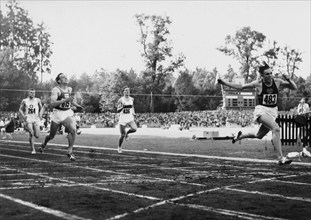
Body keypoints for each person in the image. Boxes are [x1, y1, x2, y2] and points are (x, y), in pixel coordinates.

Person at [217, 62, 298, 165]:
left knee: (259, 135)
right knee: (276, 129)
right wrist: (224, 83)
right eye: (267, 74)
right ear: (262, 75)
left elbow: (294, 87)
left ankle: (241, 135)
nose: (270, 75)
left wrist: (288, 79)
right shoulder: (258, 83)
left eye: (271, 73)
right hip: (262, 110)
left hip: (273, 111)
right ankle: (281, 158)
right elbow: (241, 87)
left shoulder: (277, 82)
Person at [38, 73, 83, 161]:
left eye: (66, 76)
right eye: (63, 77)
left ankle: (70, 151)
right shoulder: (56, 90)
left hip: (67, 112)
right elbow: (53, 104)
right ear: (59, 80)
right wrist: (65, 100)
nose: (66, 78)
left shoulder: (69, 89)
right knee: (51, 135)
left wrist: (77, 106)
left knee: (73, 130)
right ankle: (43, 144)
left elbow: (71, 100)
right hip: (57, 114)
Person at [19, 88, 43, 154]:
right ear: (28, 93)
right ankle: (33, 149)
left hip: (36, 118)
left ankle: (32, 141)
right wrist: (24, 116)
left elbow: (42, 108)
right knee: (31, 134)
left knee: (37, 135)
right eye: (31, 92)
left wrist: (40, 115)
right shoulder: (24, 101)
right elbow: (20, 109)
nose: (32, 94)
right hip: (28, 118)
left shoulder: (38, 100)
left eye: (34, 92)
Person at [116, 86, 137, 153]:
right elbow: (118, 110)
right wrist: (122, 107)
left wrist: (133, 112)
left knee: (134, 129)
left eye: (128, 90)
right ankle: (119, 147)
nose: (127, 91)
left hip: (130, 117)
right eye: (126, 90)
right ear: (123, 92)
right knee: (122, 135)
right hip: (122, 118)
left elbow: (132, 106)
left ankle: (127, 133)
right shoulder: (121, 100)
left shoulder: (132, 99)